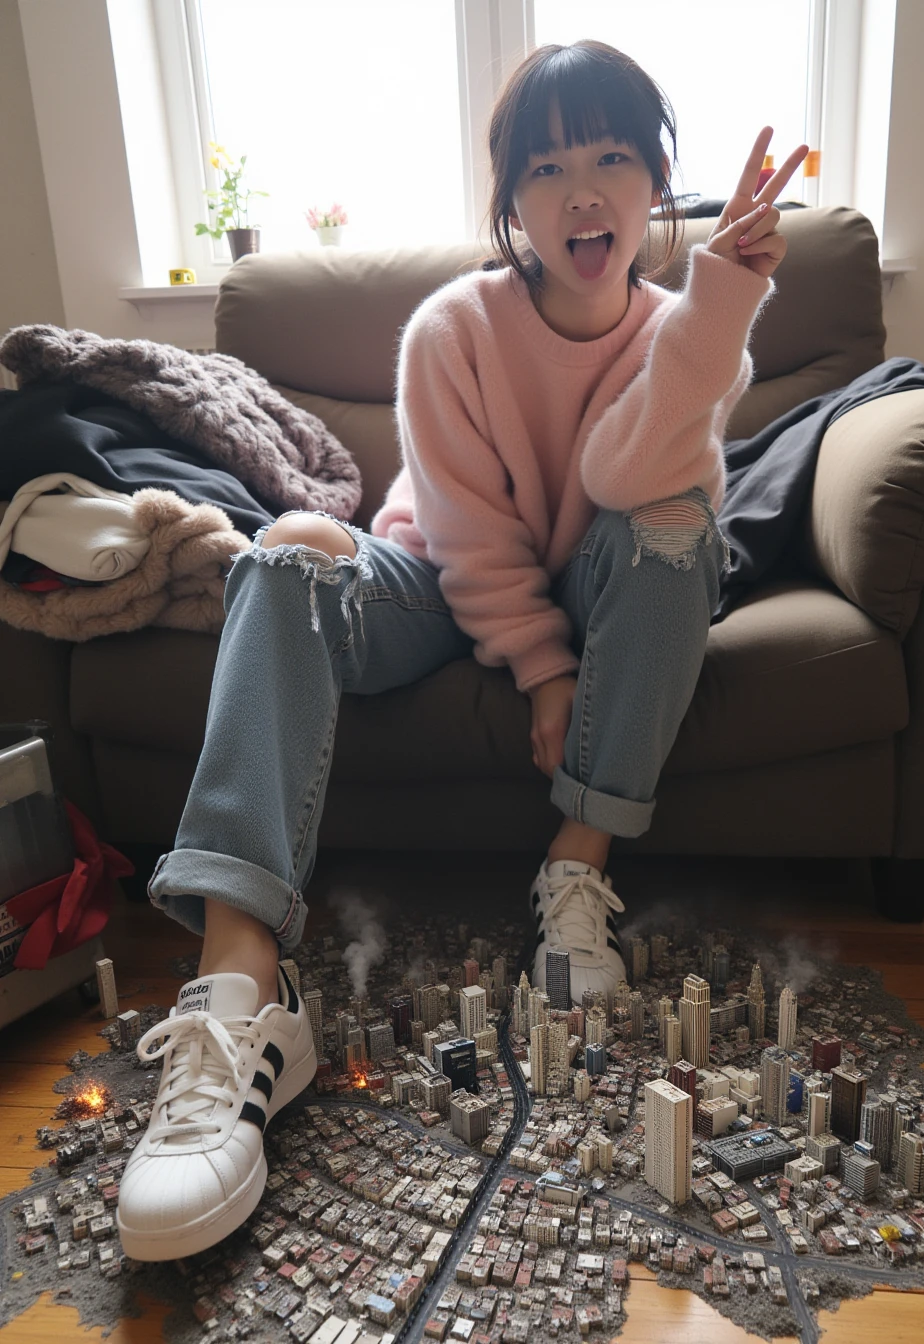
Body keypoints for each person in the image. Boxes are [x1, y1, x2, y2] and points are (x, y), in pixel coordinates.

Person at [116, 39, 807, 1261]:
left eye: (609, 158)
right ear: (511, 205)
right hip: (439, 577)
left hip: (616, 575)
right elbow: (470, 535)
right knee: (282, 551)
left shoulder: (695, 327)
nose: (580, 190)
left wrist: (721, 300)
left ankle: (575, 867)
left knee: (674, 528)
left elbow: (621, 480)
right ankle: (241, 987)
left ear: (656, 181)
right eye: (545, 168)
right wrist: (540, 665)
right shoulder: (450, 328)